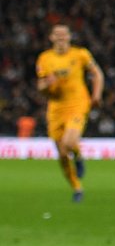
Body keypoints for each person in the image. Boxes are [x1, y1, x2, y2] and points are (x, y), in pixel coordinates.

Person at [35, 23, 104, 202]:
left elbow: (97, 73)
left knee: (69, 141)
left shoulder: (80, 54)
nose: (60, 37)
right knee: (62, 153)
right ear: (51, 37)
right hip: (56, 109)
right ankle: (77, 188)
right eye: (56, 34)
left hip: (77, 104)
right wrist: (47, 85)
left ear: (69, 36)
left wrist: (96, 95)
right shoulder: (44, 59)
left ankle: (79, 156)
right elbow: (41, 88)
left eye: (63, 34)